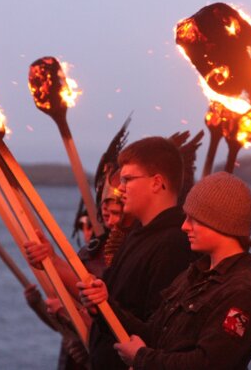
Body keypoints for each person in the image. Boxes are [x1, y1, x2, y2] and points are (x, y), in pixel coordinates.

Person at [80, 172, 251, 370]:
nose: (185, 226)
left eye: (194, 219)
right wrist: (103, 306)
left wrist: (141, 359)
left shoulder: (241, 292)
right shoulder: (192, 275)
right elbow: (152, 333)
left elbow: (207, 364)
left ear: (221, 222)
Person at [84, 136, 197, 369]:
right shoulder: (136, 233)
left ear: (156, 183)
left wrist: (107, 306)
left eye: (127, 179)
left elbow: (158, 332)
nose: (120, 188)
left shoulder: (174, 245)